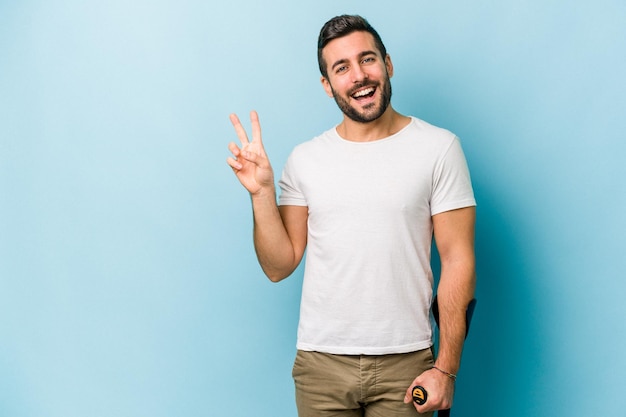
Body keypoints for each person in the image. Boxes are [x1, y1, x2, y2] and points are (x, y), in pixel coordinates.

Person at [226, 14, 476, 417]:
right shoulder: (306, 160)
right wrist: (261, 194)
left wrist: (446, 368)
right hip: (321, 365)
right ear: (327, 85)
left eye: (367, 59)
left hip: (406, 363)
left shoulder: (439, 149)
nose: (359, 76)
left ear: (388, 64)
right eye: (341, 68)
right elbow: (279, 265)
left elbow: (458, 260)